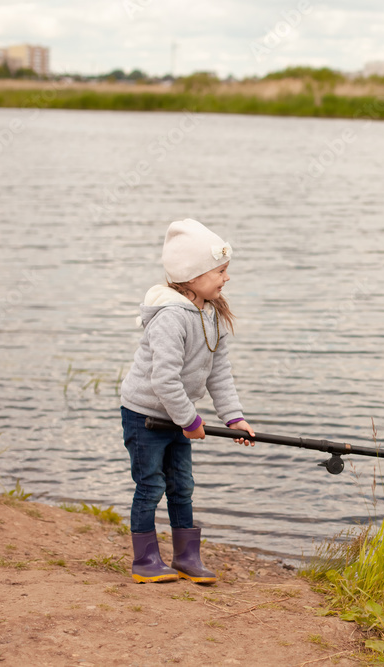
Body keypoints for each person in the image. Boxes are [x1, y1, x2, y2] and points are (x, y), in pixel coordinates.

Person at [120, 218, 255, 584]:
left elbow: (218, 373)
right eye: (220, 271)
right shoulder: (170, 318)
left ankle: (186, 557)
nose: (226, 278)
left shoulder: (211, 314)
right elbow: (163, 379)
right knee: (151, 485)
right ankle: (145, 561)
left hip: (178, 418)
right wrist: (191, 421)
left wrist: (233, 418)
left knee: (182, 485)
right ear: (192, 277)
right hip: (145, 416)